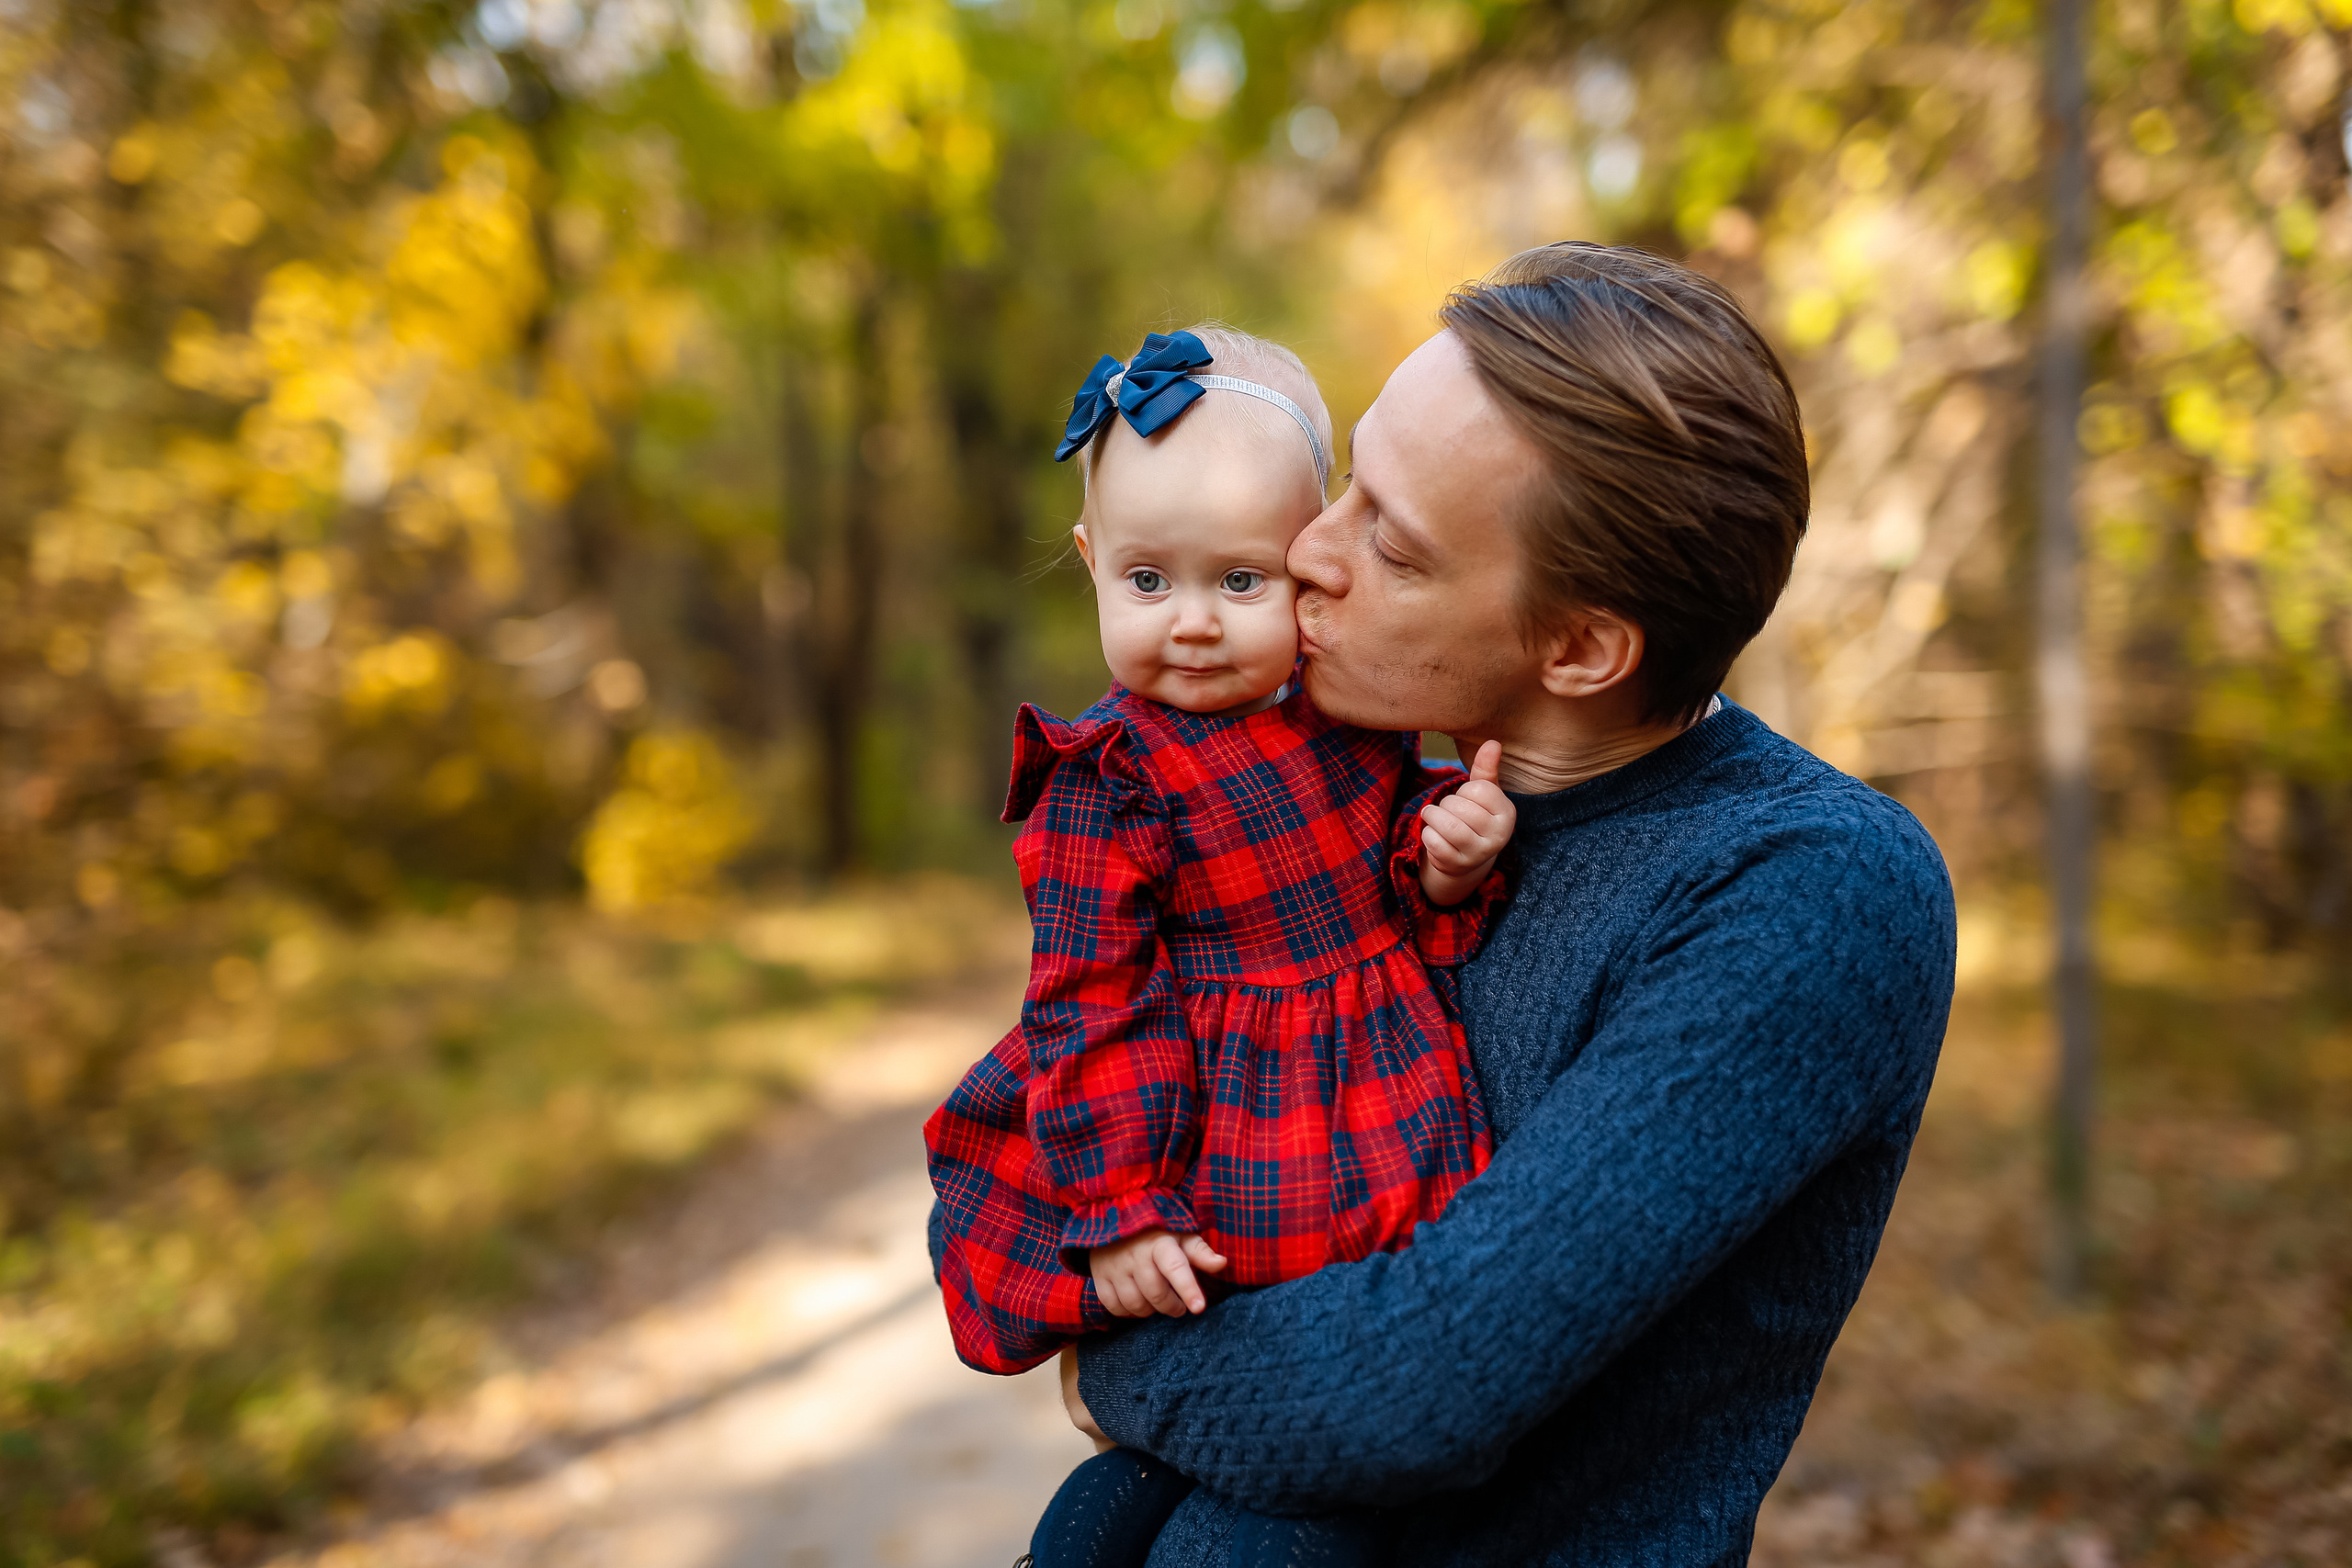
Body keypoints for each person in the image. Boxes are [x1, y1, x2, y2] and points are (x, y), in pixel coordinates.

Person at [1053, 244, 1959, 1564]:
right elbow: (1037, 1130)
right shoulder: (1351, 807)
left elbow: (1414, 1388)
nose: (1307, 550)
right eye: (1349, 478)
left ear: (1582, 646)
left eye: (1393, 544)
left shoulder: (1805, 888)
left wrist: (1112, 1369)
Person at [922, 325, 1519, 1566]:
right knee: (1202, 1391)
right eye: (1148, 583)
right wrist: (1125, 1207)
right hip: (1217, 1119)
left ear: (1308, 567)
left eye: (1239, 583)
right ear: (1091, 563)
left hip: (1380, 1073)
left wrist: (1441, 853)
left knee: (1356, 1374)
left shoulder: (1345, 705)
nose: (1191, 625)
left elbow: (1389, 841)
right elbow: (1085, 1005)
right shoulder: (1109, 782)